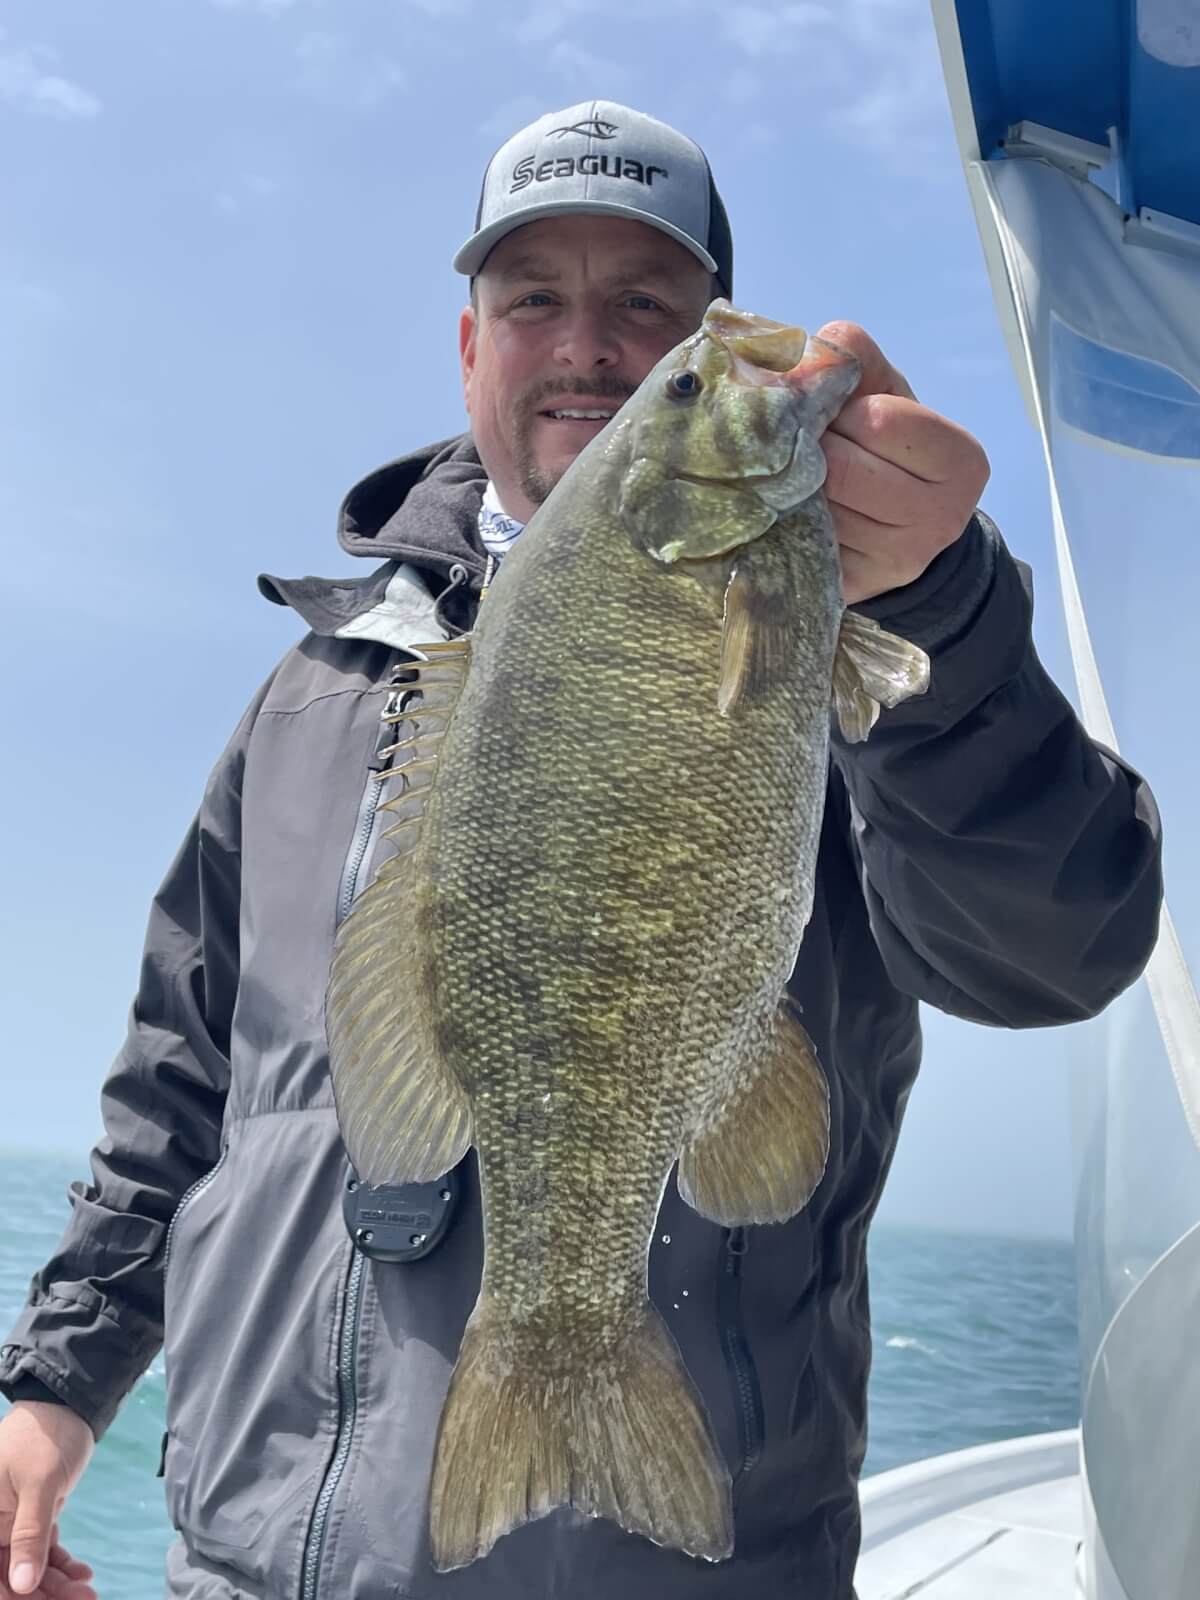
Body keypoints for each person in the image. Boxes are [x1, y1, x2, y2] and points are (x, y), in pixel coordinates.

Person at [0, 100, 1162, 1600]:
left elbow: (1052, 951)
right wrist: (53, 1382)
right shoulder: (317, 691)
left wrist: (941, 605)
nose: (590, 347)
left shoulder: (846, 631)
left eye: (650, 312)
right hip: (241, 1565)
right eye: (534, 299)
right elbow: (181, 1081)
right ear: (471, 350)